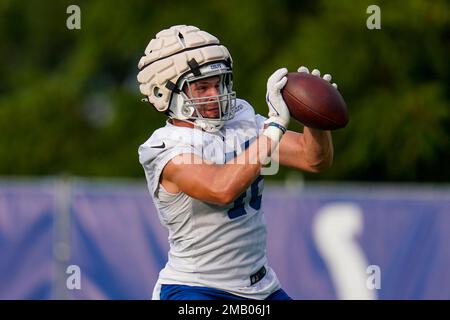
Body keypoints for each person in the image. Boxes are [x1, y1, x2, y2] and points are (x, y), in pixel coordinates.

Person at [137, 25, 335, 300]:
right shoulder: (165, 147)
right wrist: (275, 126)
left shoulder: (240, 119)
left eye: (218, 82)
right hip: (197, 289)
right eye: (202, 87)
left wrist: (314, 119)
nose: (214, 94)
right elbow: (221, 189)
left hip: (262, 285)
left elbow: (313, 159)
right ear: (164, 94)